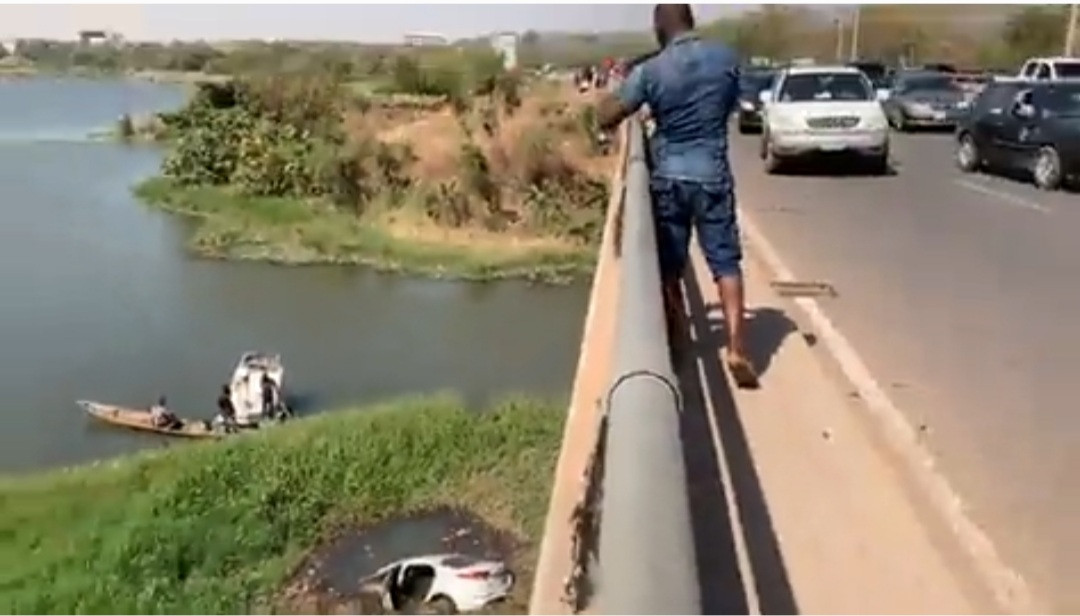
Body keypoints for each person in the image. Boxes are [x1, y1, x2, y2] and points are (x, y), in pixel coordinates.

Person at [597, 4, 759, 388]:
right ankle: (737, 347)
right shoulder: (725, 59)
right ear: (691, 22)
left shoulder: (652, 70)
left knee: (670, 265)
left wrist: (612, 93)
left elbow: (609, 115)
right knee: (725, 261)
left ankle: (679, 337)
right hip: (713, 174)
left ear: (658, 29)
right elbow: (744, 103)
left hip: (669, 176)